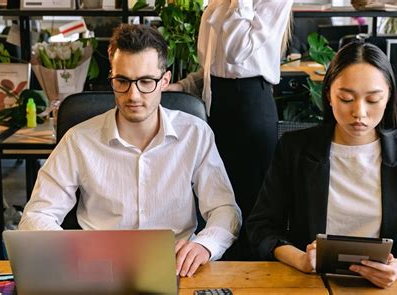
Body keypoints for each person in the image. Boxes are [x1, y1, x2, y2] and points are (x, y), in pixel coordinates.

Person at [19, 24, 242, 278]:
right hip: (98, 271)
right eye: (122, 81)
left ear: (165, 81)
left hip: (175, 268)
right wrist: (74, 253)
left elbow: (224, 209)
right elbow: (37, 214)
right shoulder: (79, 140)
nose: (133, 95)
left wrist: (205, 245)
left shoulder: (195, 134)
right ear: (112, 78)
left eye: (146, 81)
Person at [246, 42, 397, 288]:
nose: (359, 112)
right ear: (328, 94)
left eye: (373, 99)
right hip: (310, 285)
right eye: (346, 98)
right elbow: (261, 227)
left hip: (390, 287)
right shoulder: (295, 148)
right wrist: (301, 260)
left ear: (389, 95)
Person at [167, 0, 293, 260]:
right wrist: (185, 85)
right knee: (218, 203)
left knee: (249, 210)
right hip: (217, 110)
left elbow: (237, 53)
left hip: (249, 109)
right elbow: (214, 65)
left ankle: (250, 283)